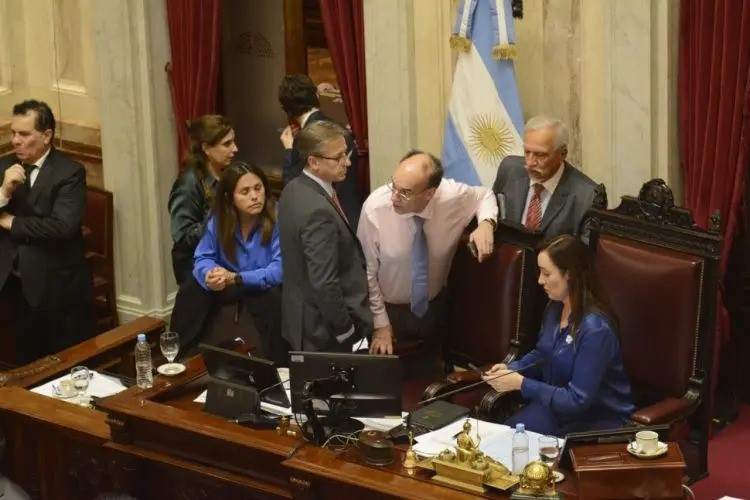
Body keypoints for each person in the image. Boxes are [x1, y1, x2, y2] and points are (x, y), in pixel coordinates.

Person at [357, 150, 497, 377]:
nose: (394, 197)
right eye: (394, 185)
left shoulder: (452, 196)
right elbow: (367, 272)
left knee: (429, 381)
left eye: (405, 192)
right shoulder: (375, 207)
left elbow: (485, 195)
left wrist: (486, 224)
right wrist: (380, 323)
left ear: (430, 193)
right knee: (388, 385)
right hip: (388, 311)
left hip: (434, 307)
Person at [481, 234, 635, 437]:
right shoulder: (554, 308)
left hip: (594, 421)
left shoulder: (596, 330)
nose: (539, 280)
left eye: (546, 273)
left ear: (569, 274)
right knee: (504, 438)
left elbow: (577, 399)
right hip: (556, 409)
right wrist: (512, 370)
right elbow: (543, 353)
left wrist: (521, 384)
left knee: (526, 454)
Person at [0, 99, 92, 364]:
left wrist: (11, 222)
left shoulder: (69, 173)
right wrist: (4, 192)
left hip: (56, 285)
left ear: (47, 136)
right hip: (13, 283)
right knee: (25, 361)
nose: (16, 140)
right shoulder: (3, 167)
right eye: (13, 133)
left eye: (25, 134)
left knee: (64, 362)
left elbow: (62, 226)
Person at [169, 162, 284, 363]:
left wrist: (238, 278)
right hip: (226, 284)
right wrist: (210, 274)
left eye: (258, 188)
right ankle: (180, 356)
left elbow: (278, 270)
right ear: (229, 198)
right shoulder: (219, 218)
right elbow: (203, 256)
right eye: (245, 192)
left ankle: (275, 363)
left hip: (261, 286)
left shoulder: (276, 216)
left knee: (271, 298)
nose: (255, 196)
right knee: (191, 288)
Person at [278, 120, 372, 352]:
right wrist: (345, 329)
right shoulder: (318, 211)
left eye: (346, 154)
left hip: (302, 319)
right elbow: (324, 282)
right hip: (323, 331)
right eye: (339, 157)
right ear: (313, 162)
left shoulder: (293, 188)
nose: (347, 162)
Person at [492, 115, 600, 239]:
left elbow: (585, 254)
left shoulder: (587, 195)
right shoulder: (510, 169)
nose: (530, 162)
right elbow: (491, 209)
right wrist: (486, 222)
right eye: (527, 152)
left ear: (562, 154)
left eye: (540, 155)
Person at [278, 74, 362, 227]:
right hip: (353, 213)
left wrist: (289, 150)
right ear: (316, 95)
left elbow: (294, 189)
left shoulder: (306, 139)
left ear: (286, 109)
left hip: (328, 220)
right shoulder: (336, 126)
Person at [168, 115, 237, 286]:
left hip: (225, 261)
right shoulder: (188, 183)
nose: (235, 148)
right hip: (196, 268)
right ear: (206, 148)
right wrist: (221, 220)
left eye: (233, 142)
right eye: (227, 144)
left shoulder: (228, 173)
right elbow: (182, 236)